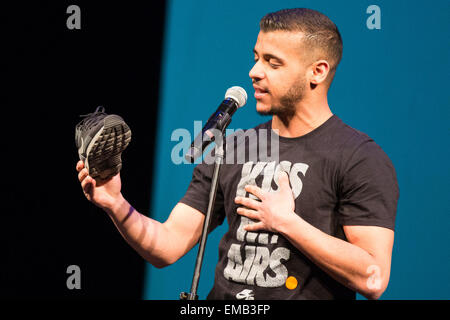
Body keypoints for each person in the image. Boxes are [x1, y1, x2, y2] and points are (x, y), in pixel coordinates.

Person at [76, 8, 399, 300]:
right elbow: (167, 246)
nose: (254, 71)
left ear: (317, 72)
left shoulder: (358, 158)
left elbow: (373, 279)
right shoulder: (233, 148)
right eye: (256, 57)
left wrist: (287, 223)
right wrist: (116, 204)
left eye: (273, 63)